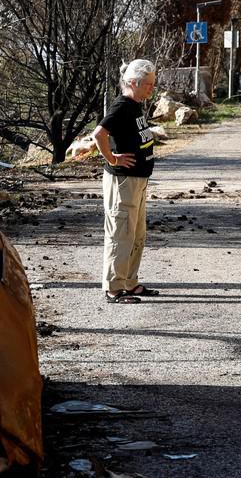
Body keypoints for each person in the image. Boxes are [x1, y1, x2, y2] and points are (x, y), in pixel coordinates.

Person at [92, 59, 160, 304]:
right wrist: (112, 158)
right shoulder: (121, 105)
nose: (151, 89)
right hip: (123, 182)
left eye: (153, 84)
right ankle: (113, 288)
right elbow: (99, 134)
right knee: (120, 234)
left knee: (136, 234)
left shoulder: (135, 105)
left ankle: (129, 282)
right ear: (133, 83)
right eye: (148, 85)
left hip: (138, 180)